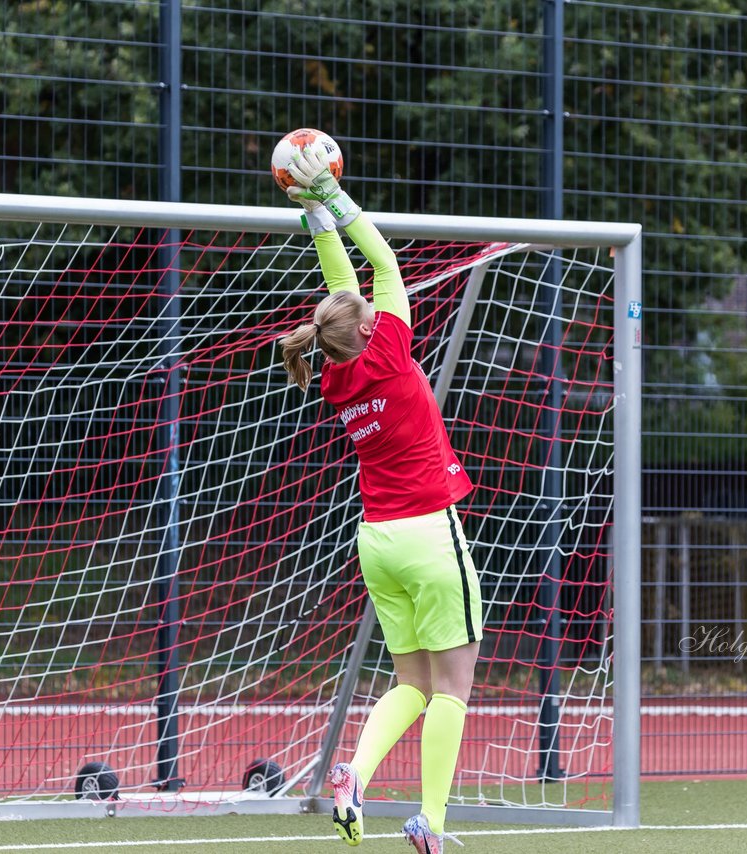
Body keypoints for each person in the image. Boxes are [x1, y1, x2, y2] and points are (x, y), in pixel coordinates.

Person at [277, 145, 482, 854]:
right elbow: (384, 267)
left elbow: (342, 285)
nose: (368, 301)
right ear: (366, 328)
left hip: (378, 543)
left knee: (411, 682)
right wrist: (333, 195)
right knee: (453, 686)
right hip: (428, 534)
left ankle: (355, 779)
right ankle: (432, 819)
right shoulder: (388, 347)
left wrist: (309, 210)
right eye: (363, 308)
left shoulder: (335, 375)